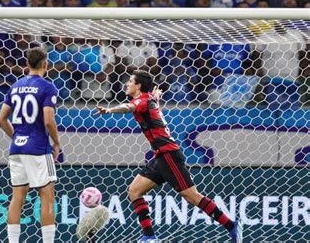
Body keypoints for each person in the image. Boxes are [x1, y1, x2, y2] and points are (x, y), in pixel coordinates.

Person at [94, 70, 242, 242]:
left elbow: (128, 107)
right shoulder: (149, 99)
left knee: (192, 196)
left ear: (138, 85)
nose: (127, 84)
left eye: (130, 81)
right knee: (134, 191)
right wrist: (155, 98)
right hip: (160, 156)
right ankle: (149, 237)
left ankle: (231, 225)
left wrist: (109, 110)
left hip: (169, 155)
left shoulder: (142, 100)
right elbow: (147, 104)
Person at [0, 47, 61, 243]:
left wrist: (16, 136)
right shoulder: (48, 87)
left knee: (17, 198)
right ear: (45, 65)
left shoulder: (15, 86)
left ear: (26, 64)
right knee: (47, 195)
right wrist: (57, 143)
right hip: (38, 148)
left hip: (16, 148)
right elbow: (49, 121)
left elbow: (1, 120)